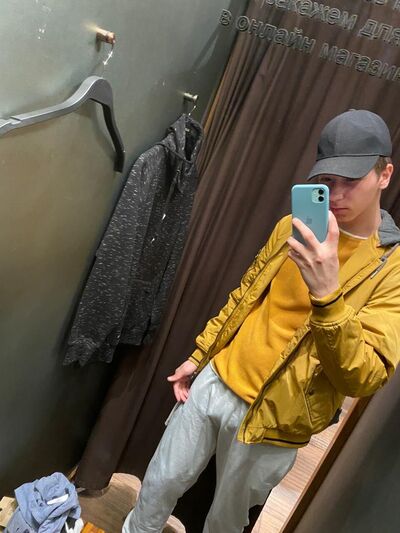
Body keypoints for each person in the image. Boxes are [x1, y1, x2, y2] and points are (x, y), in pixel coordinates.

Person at [122, 109, 400, 533]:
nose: (337, 194)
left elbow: (364, 376)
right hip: (216, 380)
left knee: (226, 523)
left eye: (352, 180)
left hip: (276, 422)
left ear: (384, 175)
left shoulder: (392, 268)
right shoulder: (292, 227)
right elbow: (246, 295)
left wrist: (327, 294)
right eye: (328, 182)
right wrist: (201, 355)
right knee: (158, 485)